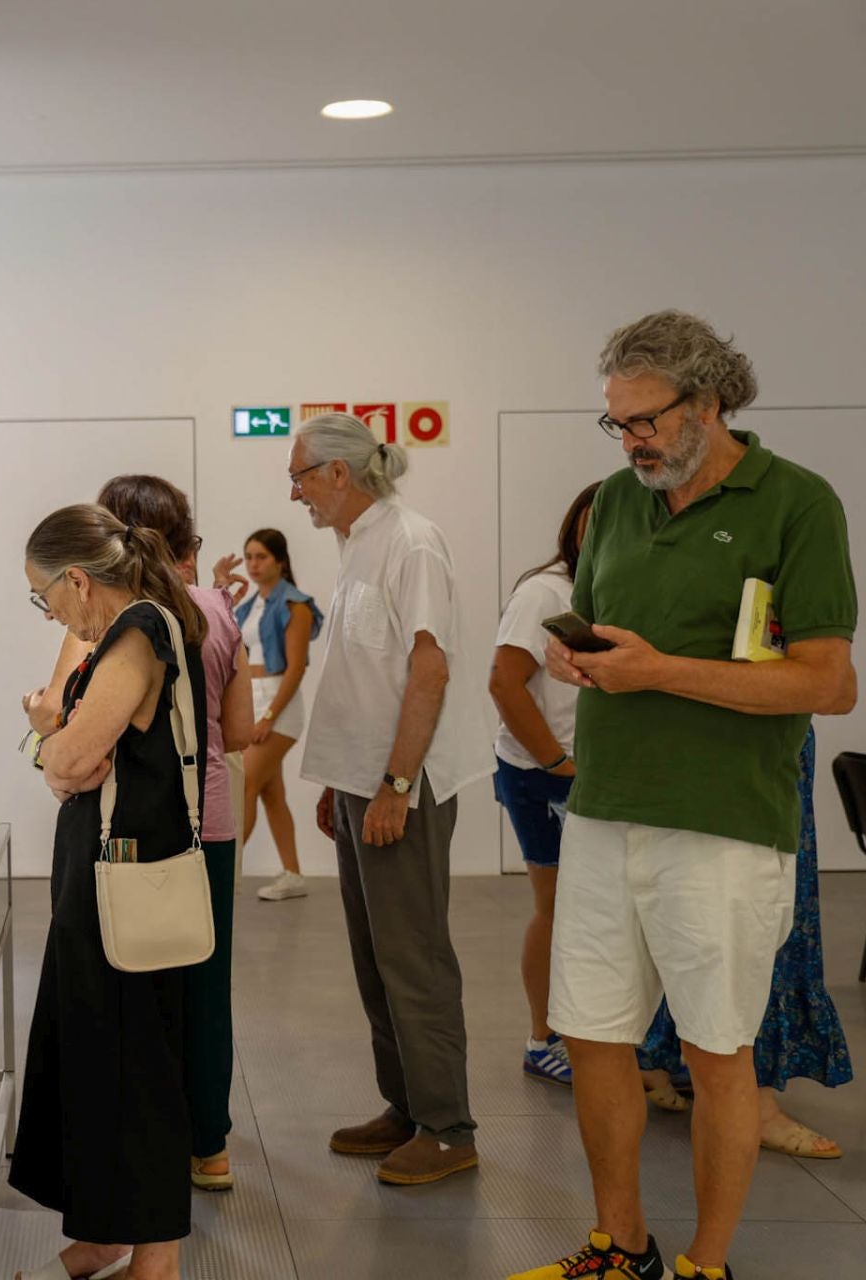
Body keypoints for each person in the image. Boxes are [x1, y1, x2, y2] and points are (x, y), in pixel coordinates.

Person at [511, 310, 858, 1280]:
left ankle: (707, 1264)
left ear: (710, 399)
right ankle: (621, 1245)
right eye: (616, 424)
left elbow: (828, 681)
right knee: (594, 1034)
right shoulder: (619, 503)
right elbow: (619, 638)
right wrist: (573, 657)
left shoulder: (797, 502)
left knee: (715, 1051)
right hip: (604, 809)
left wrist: (660, 671)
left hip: (723, 824)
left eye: (648, 419)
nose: (632, 441)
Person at [290, 412, 494, 1186]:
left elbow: (429, 671)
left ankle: (448, 1128)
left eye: (301, 474)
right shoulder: (357, 545)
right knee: (376, 958)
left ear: (340, 474)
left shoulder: (411, 542)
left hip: (402, 789)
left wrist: (397, 785)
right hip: (363, 785)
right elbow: (361, 678)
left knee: (413, 958)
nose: (295, 491)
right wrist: (343, 782)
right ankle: (406, 1108)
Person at [8, 504, 209, 1280]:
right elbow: (70, 759)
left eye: (43, 596)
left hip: (126, 880)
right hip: (98, 873)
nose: (49, 612)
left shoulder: (139, 632)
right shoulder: (128, 633)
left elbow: (72, 758)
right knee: (94, 1057)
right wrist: (55, 741)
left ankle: (154, 1257)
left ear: (78, 580)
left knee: (136, 1067)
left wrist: (43, 732)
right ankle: (100, 1235)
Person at [91, 475, 254, 1191]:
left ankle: (143, 1142)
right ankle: (209, 1148)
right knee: (206, 983)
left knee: (137, 983)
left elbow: (88, 736)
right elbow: (243, 730)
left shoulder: (126, 620)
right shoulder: (218, 611)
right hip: (212, 823)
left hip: (141, 826)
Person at [637, 726, 853, 1159]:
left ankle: (661, 1057)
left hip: (719, 752)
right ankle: (757, 1103)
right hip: (747, 756)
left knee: (691, 915)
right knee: (757, 926)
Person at [490, 482, 600, 1086]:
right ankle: (543, 1039)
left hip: (591, 775)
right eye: (595, 521)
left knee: (594, 912)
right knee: (556, 909)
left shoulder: (605, 586)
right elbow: (505, 685)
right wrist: (558, 763)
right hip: (542, 775)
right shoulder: (546, 592)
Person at [215, 530, 324, 901]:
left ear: (280, 560)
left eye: (261, 556)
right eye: (249, 557)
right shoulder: (249, 606)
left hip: (280, 706)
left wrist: (269, 717)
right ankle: (293, 874)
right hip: (254, 700)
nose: (253, 564)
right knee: (270, 793)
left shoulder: (297, 606)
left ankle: (223, 874)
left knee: (243, 786)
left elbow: (295, 670)